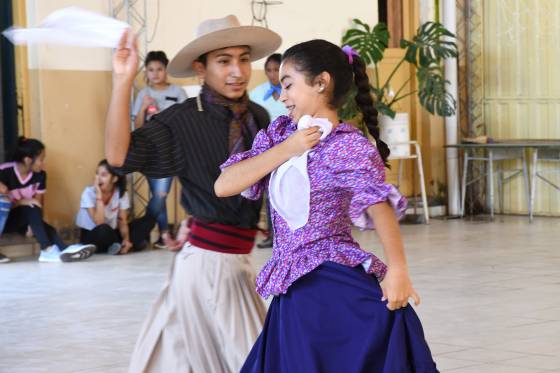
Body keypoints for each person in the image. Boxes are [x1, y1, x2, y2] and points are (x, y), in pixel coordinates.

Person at [216, 40, 439, 372]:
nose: (281, 96)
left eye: (288, 84)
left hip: (331, 282)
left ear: (321, 83)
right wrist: (287, 149)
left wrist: (398, 271)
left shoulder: (347, 146)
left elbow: (380, 208)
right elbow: (224, 185)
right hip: (294, 289)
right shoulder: (278, 135)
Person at [105, 15, 281, 372]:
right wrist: (123, 81)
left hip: (240, 263)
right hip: (206, 267)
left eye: (244, 59)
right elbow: (118, 157)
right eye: (224, 61)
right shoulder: (182, 121)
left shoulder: (260, 117)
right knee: (250, 361)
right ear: (201, 68)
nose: (237, 71)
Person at [0, 137, 95, 263]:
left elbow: (38, 204)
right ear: (28, 160)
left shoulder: (40, 175)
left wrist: (34, 225)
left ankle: (56, 250)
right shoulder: (5, 171)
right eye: (41, 159)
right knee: (29, 205)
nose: (43, 163)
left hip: (19, 218)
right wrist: (21, 202)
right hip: (3, 220)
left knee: (33, 207)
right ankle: (56, 249)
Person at [131, 51, 188, 249]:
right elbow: (137, 127)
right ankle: (164, 235)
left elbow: (186, 121)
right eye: (151, 70)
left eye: (159, 69)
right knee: (159, 195)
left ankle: (141, 231)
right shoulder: (143, 94)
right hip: (150, 151)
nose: (155, 74)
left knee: (161, 194)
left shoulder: (178, 92)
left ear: (166, 70)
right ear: (146, 72)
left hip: (171, 150)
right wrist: (143, 108)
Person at [249, 53, 288, 249]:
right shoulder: (256, 93)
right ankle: (272, 236)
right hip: (265, 151)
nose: (273, 74)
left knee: (287, 192)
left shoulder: (292, 91)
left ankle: (287, 236)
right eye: (269, 70)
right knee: (269, 194)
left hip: (290, 150)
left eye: (277, 69)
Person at [75, 159, 151, 255]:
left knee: (146, 221)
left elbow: (122, 221)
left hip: (112, 233)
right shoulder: (88, 193)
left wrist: (126, 239)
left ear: (114, 179)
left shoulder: (121, 193)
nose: (98, 178)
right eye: (97, 174)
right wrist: (99, 195)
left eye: (103, 175)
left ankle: (123, 245)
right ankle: (126, 245)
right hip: (93, 235)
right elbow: (99, 222)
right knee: (104, 230)